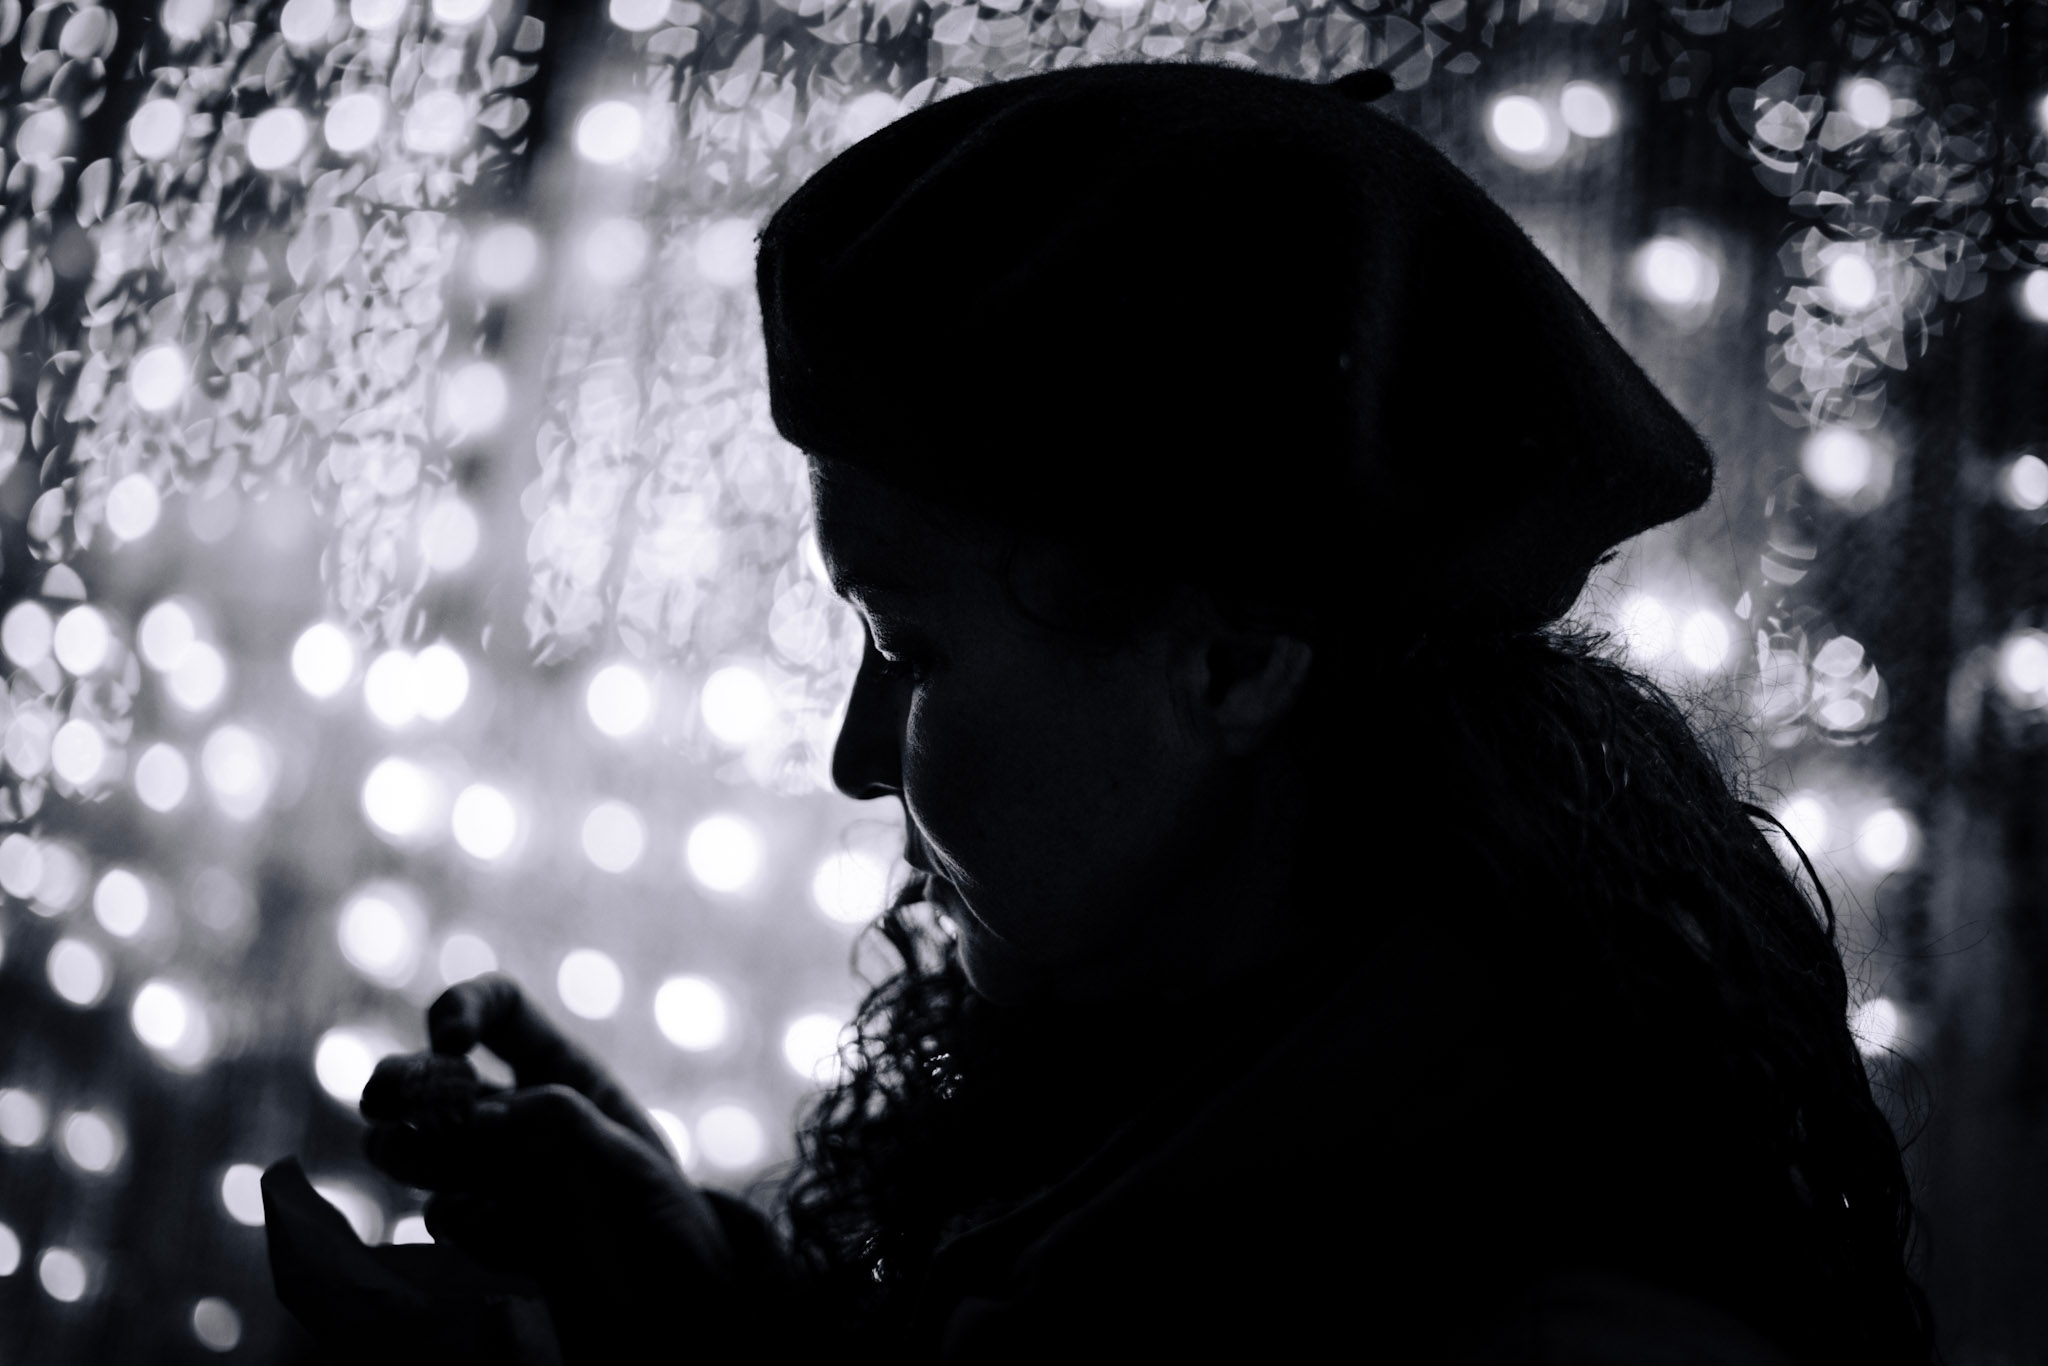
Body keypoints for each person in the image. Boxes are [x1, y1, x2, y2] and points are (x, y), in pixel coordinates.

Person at [267, 61, 1938, 1363]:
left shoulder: (1563, 1332)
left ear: (1235, 660)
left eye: (908, 646)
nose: (855, 759)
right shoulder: (1223, 1102)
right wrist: (704, 1302)